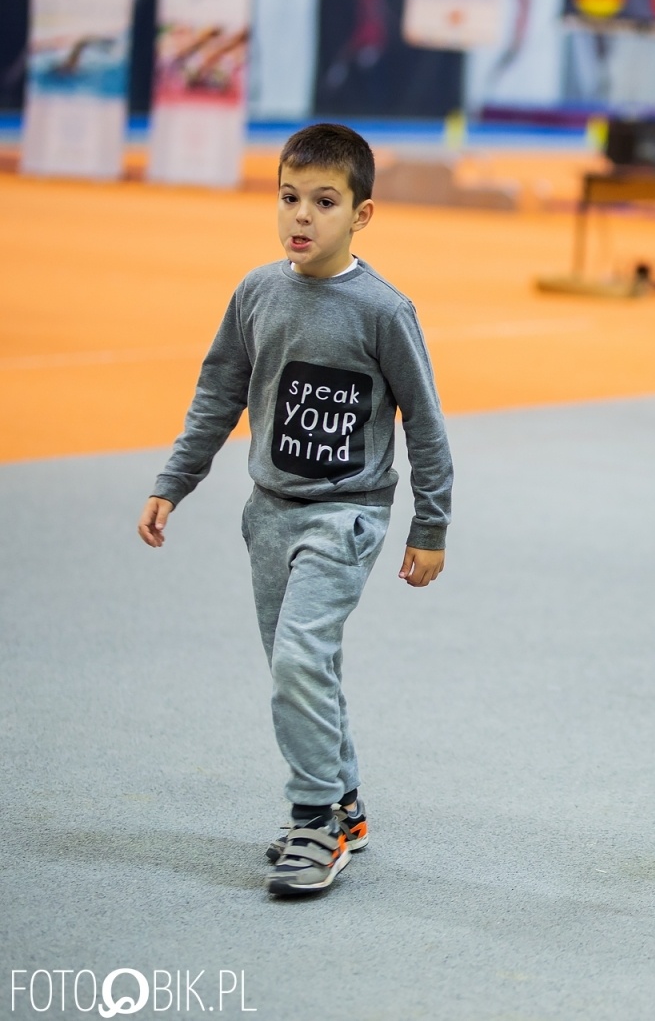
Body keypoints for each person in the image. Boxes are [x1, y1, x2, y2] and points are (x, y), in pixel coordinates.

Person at [136, 124, 453, 896]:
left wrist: (431, 524)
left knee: (298, 660)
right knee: (306, 666)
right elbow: (217, 395)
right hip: (269, 514)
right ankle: (344, 803)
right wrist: (174, 479)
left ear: (362, 214)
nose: (300, 217)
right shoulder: (256, 294)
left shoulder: (383, 310)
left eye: (323, 201)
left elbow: (427, 422)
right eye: (288, 198)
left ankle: (315, 822)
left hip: (347, 516)